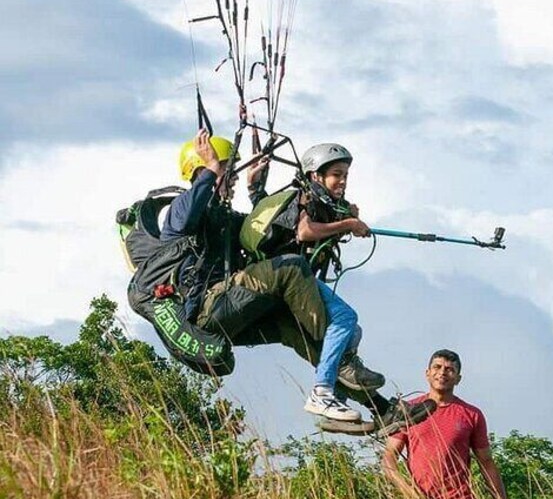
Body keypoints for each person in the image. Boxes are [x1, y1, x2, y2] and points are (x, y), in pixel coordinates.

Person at [161, 129, 431, 433]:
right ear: (199, 169)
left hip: (233, 310)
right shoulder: (182, 207)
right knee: (291, 267)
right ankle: (341, 356)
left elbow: (255, 232)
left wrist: (254, 191)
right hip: (207, 309)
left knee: (295, 330)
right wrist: (210, 171)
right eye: (228, 169)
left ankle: (382, 409)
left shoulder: (223, 216)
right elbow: (184, 220)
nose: (232, 176)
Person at [382, 349, 526, 499]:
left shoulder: (471, 414)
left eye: (450, 369)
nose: (442, 373)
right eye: (437, 367)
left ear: (458, 378)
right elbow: (389, 457)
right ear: (427, 373)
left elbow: (487, 464)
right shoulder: (409, 412)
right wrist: (409, 493)